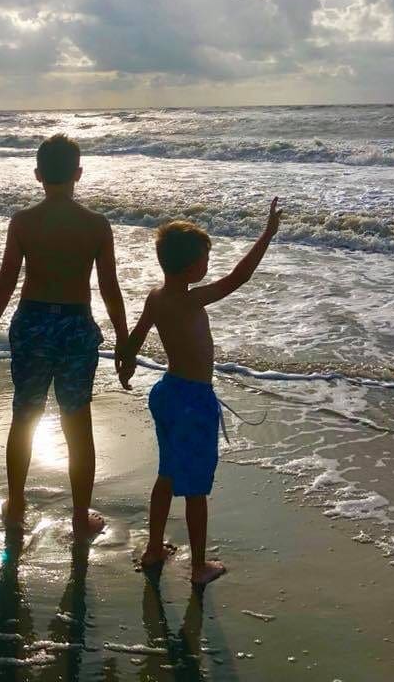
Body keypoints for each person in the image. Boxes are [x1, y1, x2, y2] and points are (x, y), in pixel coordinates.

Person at [119, 199, 282, 585]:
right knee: (196, 489)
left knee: (167, 475)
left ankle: (154, 547)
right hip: (194, 399)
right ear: (193, 267)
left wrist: (124, 363)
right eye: (205, 260)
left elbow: (136, 338)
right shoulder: (190, 298)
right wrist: (267, 234)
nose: (207, 267)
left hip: (167, 393)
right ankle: (197, 567)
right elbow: (239, 278)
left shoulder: (156, 297)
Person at [0, 134, 129, 536]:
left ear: (38, 175)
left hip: (33, 322)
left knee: (24, 414)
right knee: (77, 423)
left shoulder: (24, 222)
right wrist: (126, 339)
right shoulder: (96, 225)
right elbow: (109, 288)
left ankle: (18, 504)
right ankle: (79, 516)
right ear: (78, 173)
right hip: (76, 325)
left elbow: (6, 281)